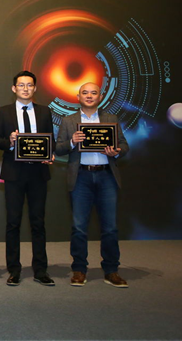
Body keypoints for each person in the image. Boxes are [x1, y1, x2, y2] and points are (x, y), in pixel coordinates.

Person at [56, 82, 129, 288]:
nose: (89, 96)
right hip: (80, 177)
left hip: (107, 176)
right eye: (85, 92)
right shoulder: (68, 121)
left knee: (110, 228)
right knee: (79, 227)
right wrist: (72, 141)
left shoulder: (111, 119)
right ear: (78, 97)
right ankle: (79, 269)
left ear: (100, 96)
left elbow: (124, 145)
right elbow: (58, 148)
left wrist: (117, 151)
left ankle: (111, 270)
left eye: (93, 93)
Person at [0, 70, 55, 286]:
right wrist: (9, 141)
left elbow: (50, 140)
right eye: (21, 85)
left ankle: (40, 270)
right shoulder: (4, 112)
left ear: (35, 88)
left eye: (29, 85)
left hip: (38, 172)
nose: (25, 89)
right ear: (14, 88)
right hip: (14, 173)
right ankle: (14, 269)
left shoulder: (45, 112)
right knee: (13, 223)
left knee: (38, 222)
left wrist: (50, 154)